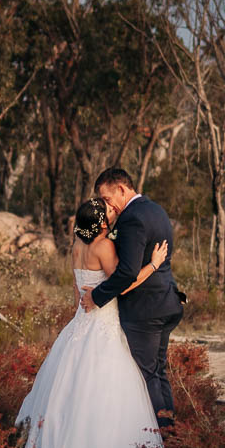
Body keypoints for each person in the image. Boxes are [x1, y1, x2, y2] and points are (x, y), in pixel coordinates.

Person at [14, 196, 169, 448]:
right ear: (100, 222)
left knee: (69, 392)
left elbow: (77, 292)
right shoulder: (103, 247)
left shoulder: (76, 246)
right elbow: (123, 283)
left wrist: (83, 311)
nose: (112, 214)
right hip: (102, 324)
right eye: (108, 212)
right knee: (105, 391)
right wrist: (153, 264)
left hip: (79, 325)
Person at [81, 167, 184, 428]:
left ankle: (161, 438)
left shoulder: (132, 218)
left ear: (122, 189)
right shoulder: (155, 210)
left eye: (106, 198)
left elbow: (126, 272)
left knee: (146, 375)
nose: (107, 205)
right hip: (166, 302)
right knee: (158, 371)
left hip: (144, 310)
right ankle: (171, 434)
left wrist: (97, 296)